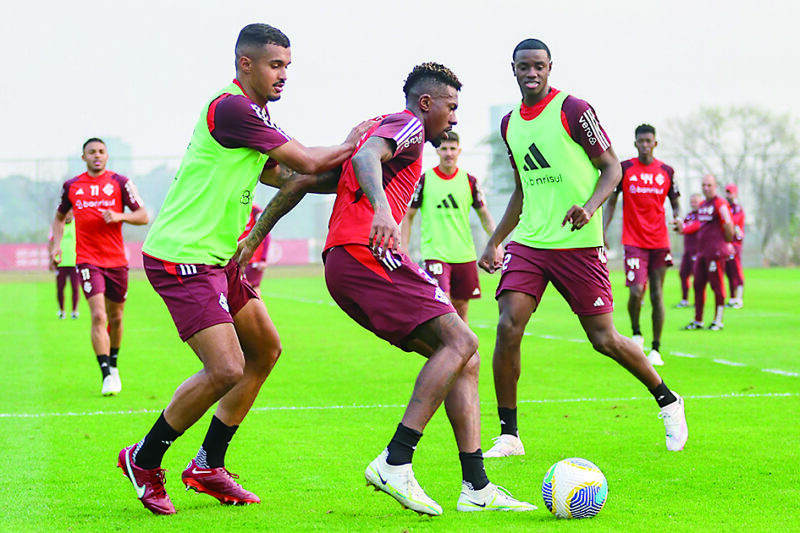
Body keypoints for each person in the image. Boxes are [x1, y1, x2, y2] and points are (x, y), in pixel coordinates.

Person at [238, 62, 535, 515]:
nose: (454, 119)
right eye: (451, 108)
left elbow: (302, 180)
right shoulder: (407, 126)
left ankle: (476, 487)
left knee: (464, 358)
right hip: (366, 252)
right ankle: (396, 460)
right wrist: (381, 210)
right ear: (426, 103)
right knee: (464, 340)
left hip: (344, 264)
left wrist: (254, 238)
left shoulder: (381, 133)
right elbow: (363, 159)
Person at [117, 23, 373, 516]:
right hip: (182, 257)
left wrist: (358, 177)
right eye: (276, 65)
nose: (283, 76)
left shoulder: (252, 116)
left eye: (288, 67)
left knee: (264, 350)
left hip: (216, 259)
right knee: (226, 367)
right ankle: (144, 460)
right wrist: (356, 143)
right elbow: (303, 157)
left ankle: (208, 464)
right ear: (245, 64)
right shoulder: (232, 107)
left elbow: (288, 175)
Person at [478, 39, 688, 459]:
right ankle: (509, 435)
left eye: (539, 66)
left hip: (577, 243)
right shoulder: (509, 124)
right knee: (507, 326)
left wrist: (590, 208)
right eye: (524, 67)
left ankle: (668, 401)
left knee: (603, 338)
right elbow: (522, 189)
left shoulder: (574, 110)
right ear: (513, 69)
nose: (531, 73)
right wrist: (495, 240)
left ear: (550, 68)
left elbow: (612, 167)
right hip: (532, 242)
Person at [50, 138, 149, 397]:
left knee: (115, 318)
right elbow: (60, 217)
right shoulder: (72, 186)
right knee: (98, 316)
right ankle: (106, 373)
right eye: (91, 152)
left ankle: (114, 364)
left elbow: (143, 215)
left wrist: (121, 216)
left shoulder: (120, 182)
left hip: (116, 261)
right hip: (87, 260)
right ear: (83, 157)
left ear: (107, 156)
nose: (97, 155)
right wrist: (56, 245)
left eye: (101, 152)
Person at [603, 124, 680, 367]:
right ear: (635, 143)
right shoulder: (625, 169)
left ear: (655, 143)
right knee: (637, 291)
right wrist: (602, 230)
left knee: (657, 294)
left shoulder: (666, 171)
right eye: (641, 141)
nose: (645, 145)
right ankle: (637, 333)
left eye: (649, 141)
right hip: (634, 242)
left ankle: (656, 348)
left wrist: (677, 216)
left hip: (659, 242)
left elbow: (676, 201)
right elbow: (612, 201)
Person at [400, 131, 496, 324]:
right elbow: (408, 216)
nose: (448, 153)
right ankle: (446, 350)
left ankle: (466, 353)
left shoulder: (470, 181)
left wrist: (496, 245)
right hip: (435, 253)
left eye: (452, 149)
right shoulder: (425, 180)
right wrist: (403, 248)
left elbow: (484, 215)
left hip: (464, 254)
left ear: (459, 151)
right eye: (444, 149)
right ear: (437, 151)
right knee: (443, 305)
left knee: (461, 307)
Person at [679, 174, 734, 331]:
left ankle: (718, 320)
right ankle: (698, 320)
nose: (706, 188)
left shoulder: (720, 203)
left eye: (709, 185)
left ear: (715, 186)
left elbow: (729, 224)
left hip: (715, 253)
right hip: (702, 252)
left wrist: (726, 243)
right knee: (697, 284)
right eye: (703, 185)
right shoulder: (703, 205)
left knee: (717, 286)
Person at [49, 209, 80, 320]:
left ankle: (74, 311)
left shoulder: (77, 225)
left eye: (70, 214)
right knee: (60, 288)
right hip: (60, 262)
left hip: (74, 262)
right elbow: (51, 242)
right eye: (65, 214)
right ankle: (61, 311)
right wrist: (51, 259)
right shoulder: (57, 226)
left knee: (75, 288)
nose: (67, 216)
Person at [675, 193, 703, 308]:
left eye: (695, 202)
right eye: (691, 202)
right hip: (687, 250)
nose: (693, 204)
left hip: (697, 250)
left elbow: (693, 227)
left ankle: (698, 300)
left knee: (697, 276)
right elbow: (684, 226)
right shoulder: (690, 215)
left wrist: (683, 228)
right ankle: (685, 299)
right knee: (683, 274)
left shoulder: (702, 215)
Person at [240, 204, 271, 296]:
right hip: (239, 256)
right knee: (242, 287)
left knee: (251, 287)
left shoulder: (255, 211)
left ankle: (257, 309)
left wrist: (263, 259)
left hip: (254, 259)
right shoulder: (237, 210)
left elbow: (266, 234)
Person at [724, 183, 745, 308]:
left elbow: (732, 223)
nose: (728, 194)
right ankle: (732, 297)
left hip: (735, 243)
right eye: (727, 192)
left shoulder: (737, 208)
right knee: (729, 271)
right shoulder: (726, 207)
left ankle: (739, 298)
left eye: (730, 192)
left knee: (736, 270)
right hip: (727, 243)